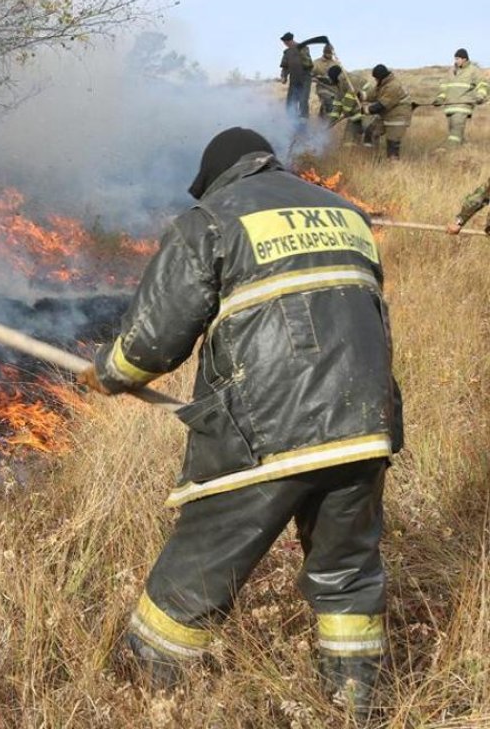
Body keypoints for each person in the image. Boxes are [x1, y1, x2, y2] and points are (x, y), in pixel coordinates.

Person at [79, 127, 403, 721]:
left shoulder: (211, 219)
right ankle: (354, 703)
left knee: (192, 576)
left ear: (218, 176)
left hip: (267, 430)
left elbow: (150, 345)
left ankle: (142, 692)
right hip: (365, 422)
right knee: (348, 572)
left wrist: (106, 371)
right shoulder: (347, 215)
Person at [432, 49, 488, 146]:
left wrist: (480, 96)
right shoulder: (451, 71)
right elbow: (444, 87)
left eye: (458, 59)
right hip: (449, 107)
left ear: (464, 59)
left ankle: (447, 153)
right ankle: (466, 151)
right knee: (456, 134)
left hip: (463, 106)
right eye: (455, 59)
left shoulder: (473, 70)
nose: (456, 61)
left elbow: (482, 85)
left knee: (455, 134)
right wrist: (440, 99)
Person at [365, 65, 413, 159]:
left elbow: (382, 105)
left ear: (380, 77)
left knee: (392, 146)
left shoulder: (393, 86)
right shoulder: (383, 83)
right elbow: (373, 94)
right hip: (386, 115)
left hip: (397, 118)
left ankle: (394, 169)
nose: (375, 80)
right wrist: (362, 96)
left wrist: (367, 110)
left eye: (376, 78)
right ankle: (373, 158)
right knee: (371, 131)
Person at [327, 65, 372, 146]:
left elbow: (349, 100)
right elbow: (337, 104)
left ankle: (371, 155)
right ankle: (351, 153)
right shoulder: (339, 85)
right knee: (348, 142)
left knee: (369, 138)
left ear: (335, 77)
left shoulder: (351, 81)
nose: (331, 81)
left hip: (367, 112)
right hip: (355, 115)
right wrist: (330, 122)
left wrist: (346, 112)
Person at [280, 33, 313, 119]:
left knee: (303, 101)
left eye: (286, 42)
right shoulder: (287, 52)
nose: (285, 44)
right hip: (294, 80)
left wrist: (300, 52)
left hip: (305, 79)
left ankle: (303, 123)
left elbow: (309, 64)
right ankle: (292, 123)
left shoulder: (304, 48)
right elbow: (284, 66)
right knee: (290, 103)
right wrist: (284, 76)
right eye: (284, 43)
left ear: (290, 41)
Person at [312, 44, 339, 117]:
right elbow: (309, 74)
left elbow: (341, 75)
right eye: (328, 53)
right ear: (324, 52)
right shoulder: (316, 63)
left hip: (334, 88)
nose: (330, 55)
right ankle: (327, 123)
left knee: (334, 104)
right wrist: (314, 78)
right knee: (328, 101)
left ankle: (321, 119)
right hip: (322, 88)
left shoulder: (335, 63)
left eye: (331, 54)